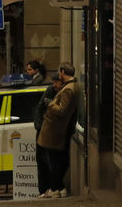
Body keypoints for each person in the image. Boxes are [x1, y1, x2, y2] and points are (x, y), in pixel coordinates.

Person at [37, 62, 79, 199]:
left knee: (53, 161)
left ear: (62, 72)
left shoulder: (68, 89)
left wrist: (50, 103)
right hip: (56, 128)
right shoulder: (69, 87)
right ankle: (57, 187)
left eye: (59, 72)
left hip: (56, 129)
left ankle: (56, 188)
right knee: (53, 160)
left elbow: (62, 110)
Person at [34, 74, 62, 197]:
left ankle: (54, 187)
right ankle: (43, 190)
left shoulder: (64, 92)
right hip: (43, 129)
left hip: (53, 131)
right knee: (41, 160)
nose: (54, 85)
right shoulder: (50, 90)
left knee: (51, 161)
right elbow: (39, 108)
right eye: (53, 82)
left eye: (56, 82)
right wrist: (39, 126)